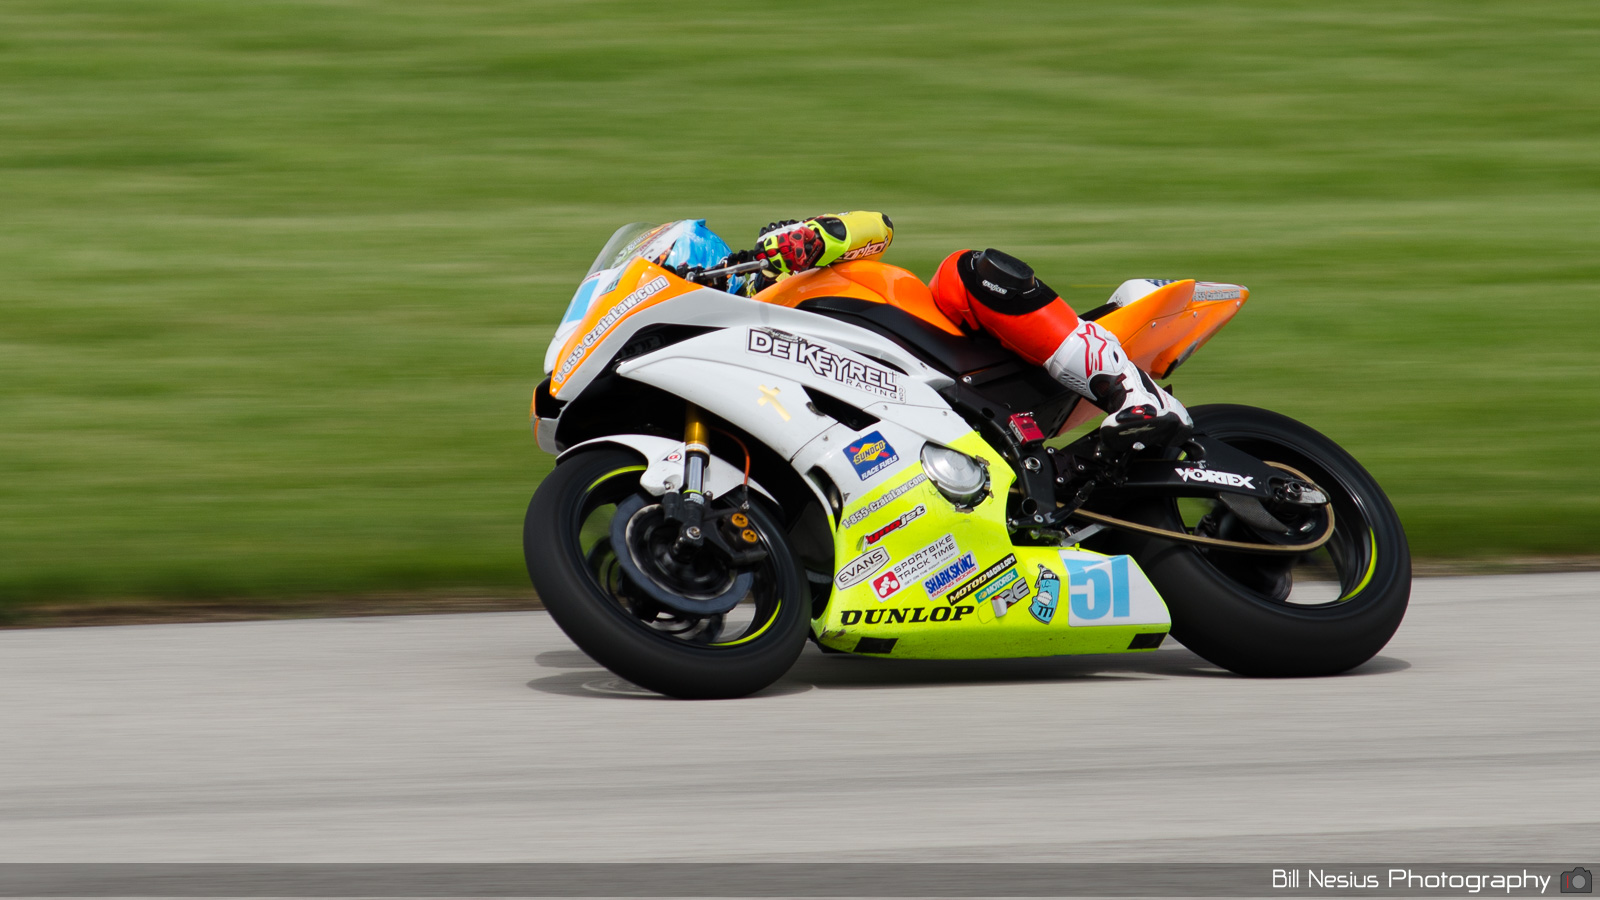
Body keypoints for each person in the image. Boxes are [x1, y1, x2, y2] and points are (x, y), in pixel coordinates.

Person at [722, 212, 1193, 454]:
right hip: (870, 425)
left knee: (965, 271)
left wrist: (811, 238)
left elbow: (878, 227)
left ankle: (1133, 393)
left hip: (944, 353)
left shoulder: (781, 267)